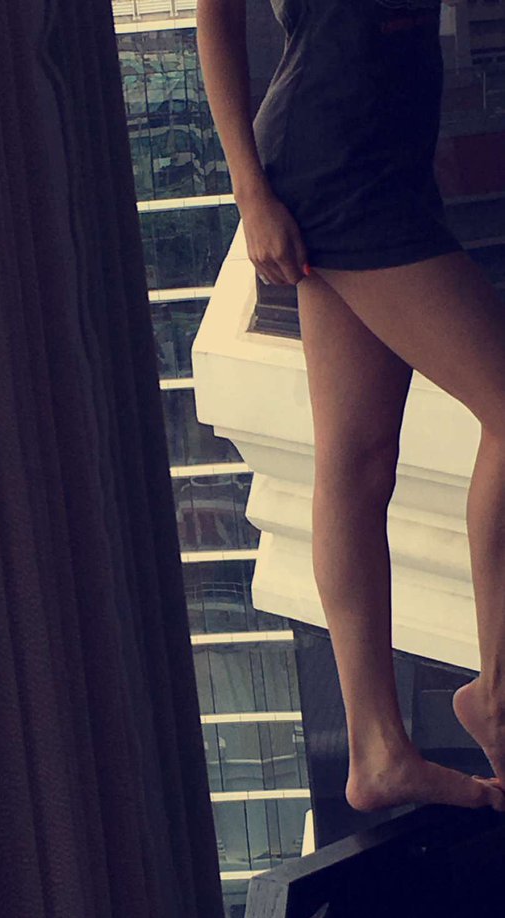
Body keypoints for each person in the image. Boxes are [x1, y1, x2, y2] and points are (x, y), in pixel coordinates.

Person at [196, 0, 505, 813]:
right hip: (332, 163)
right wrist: (249, 194)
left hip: (389, 157)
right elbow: (215, 15)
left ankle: (376, 752)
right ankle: (498, 696)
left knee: (357, 459)